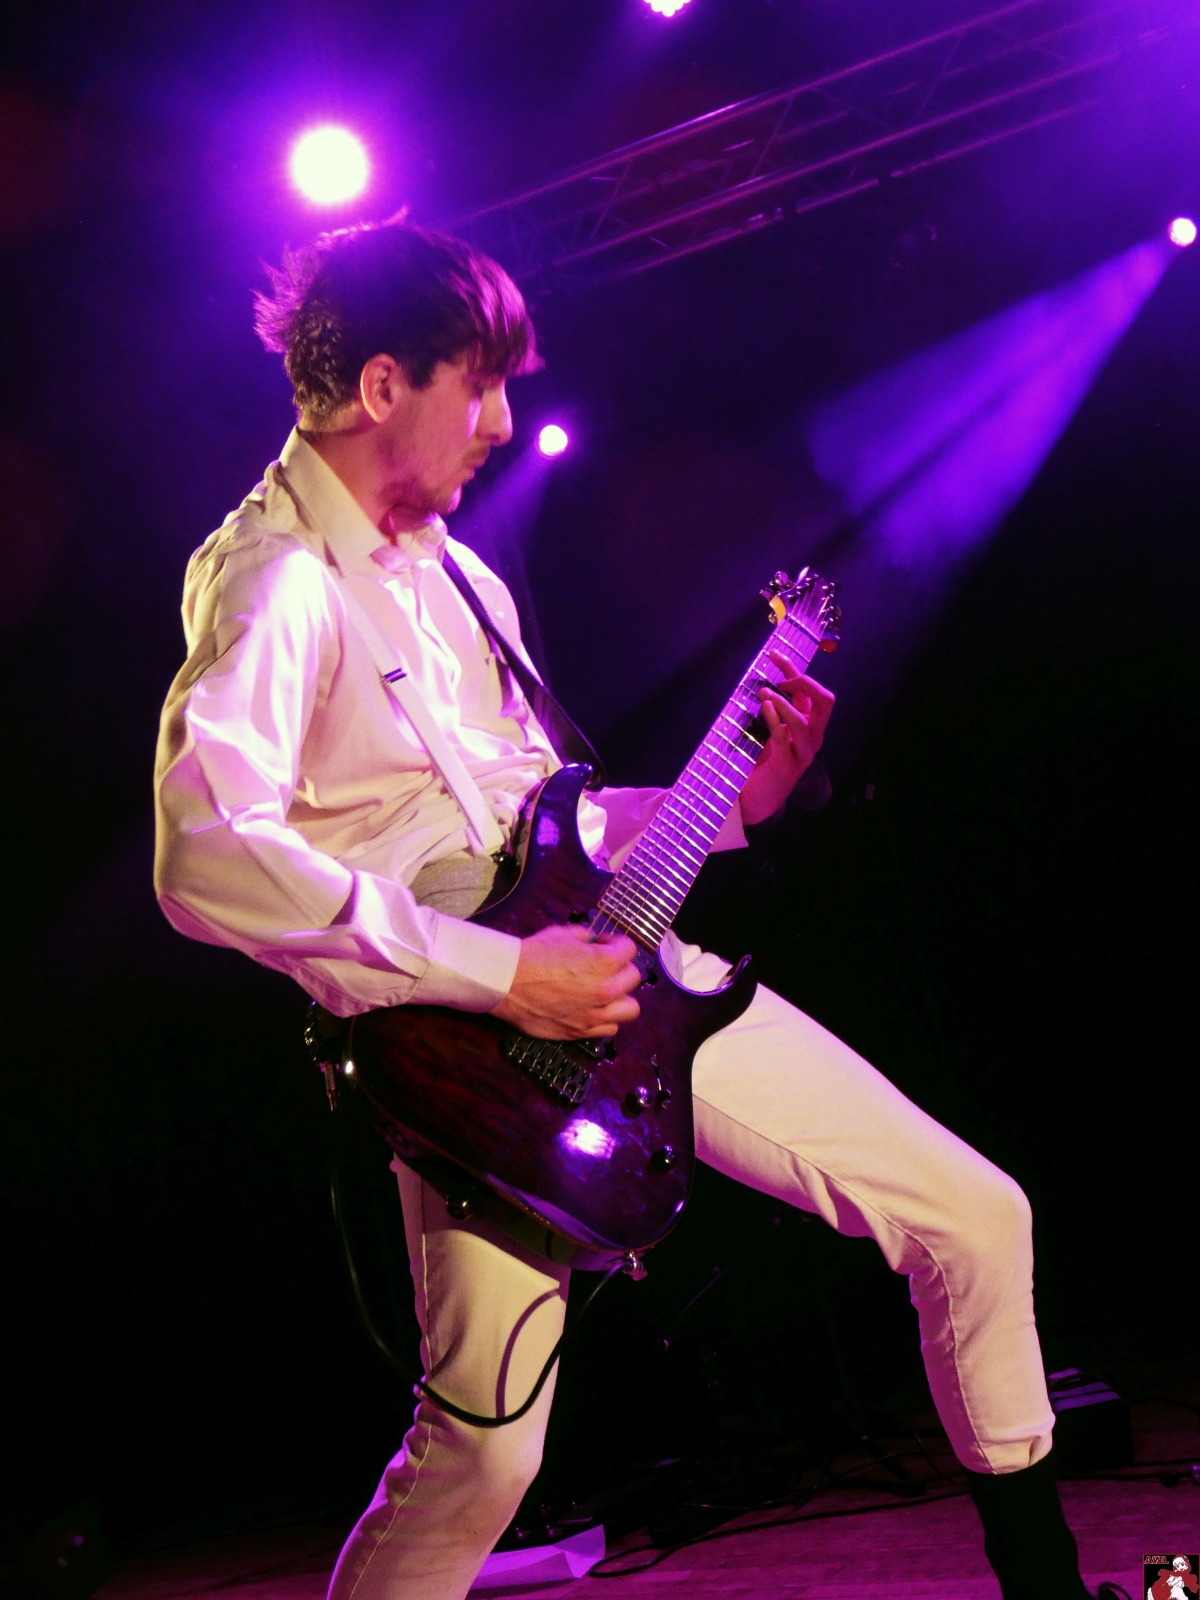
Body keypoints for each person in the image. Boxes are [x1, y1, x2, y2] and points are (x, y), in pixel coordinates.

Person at [153, 219, 1110, 1600]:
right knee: (484, 1459)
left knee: (974, 1214)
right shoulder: (277, 578)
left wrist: (734, 800)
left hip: (619, 984)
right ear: (381, 386)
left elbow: (549, 828)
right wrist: (505, 977)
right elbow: (207, 858)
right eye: (480, 384)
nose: (502, 422)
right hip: (467, 1053)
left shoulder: (461, 577)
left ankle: (1046, 1583)